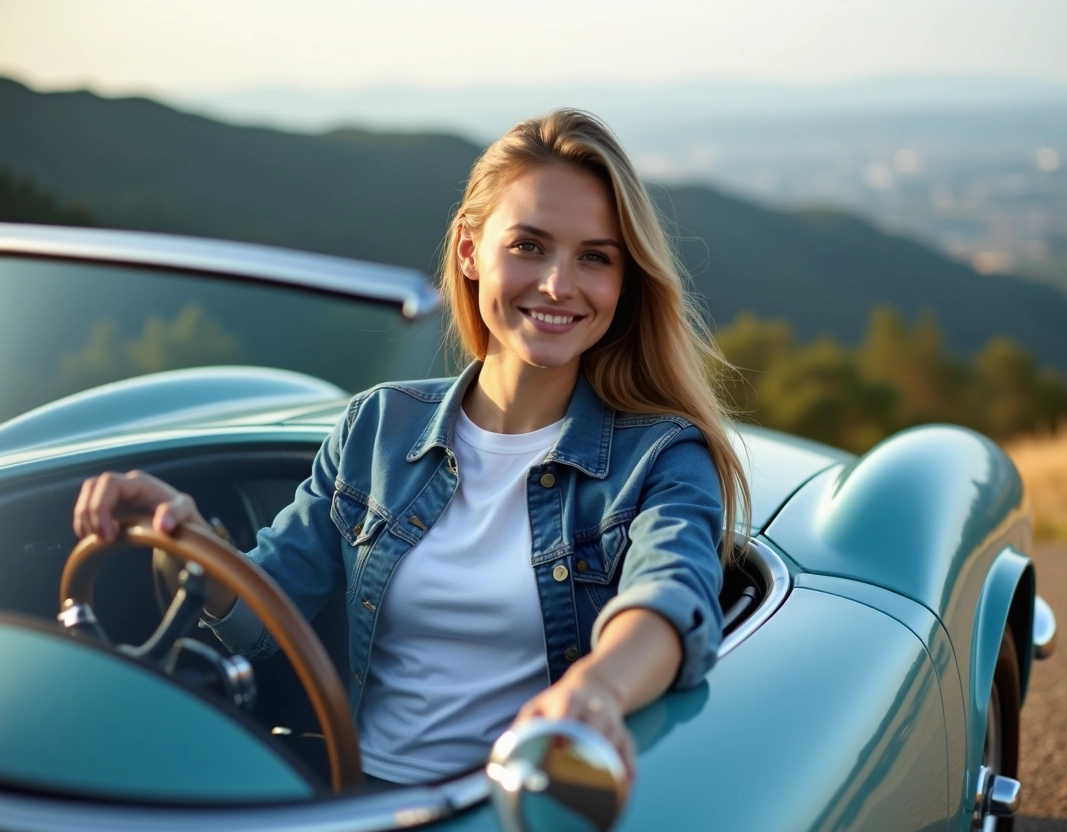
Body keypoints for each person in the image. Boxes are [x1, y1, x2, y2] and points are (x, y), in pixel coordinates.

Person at [71, 109, 750, 787]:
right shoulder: (377, 429)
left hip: (516, 802)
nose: (558, 286)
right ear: (468, 250)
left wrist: (597, 690)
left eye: (595, 257)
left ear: (623, 282)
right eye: (528, 246)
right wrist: (183, 533)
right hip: (351, 796)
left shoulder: (662, 458)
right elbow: (262, 613)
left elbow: (670, 600)